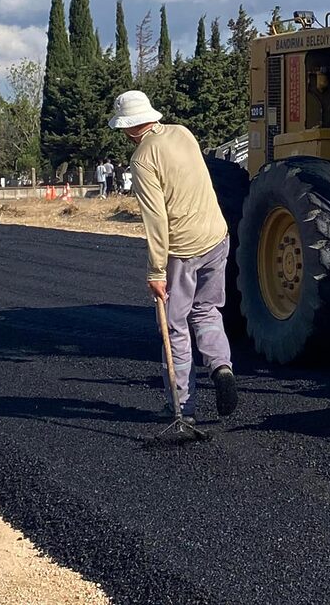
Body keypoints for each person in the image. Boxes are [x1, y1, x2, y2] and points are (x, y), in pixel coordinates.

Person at [108, 90, 237, 424]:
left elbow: (156, 220)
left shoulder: (143, 158)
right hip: (216, 236)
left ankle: (182, 406)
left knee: (174, 326)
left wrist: (156, 271)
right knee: (207, 311)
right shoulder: (182, 132)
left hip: (182, 249)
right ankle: (222, 366)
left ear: (131, 127)